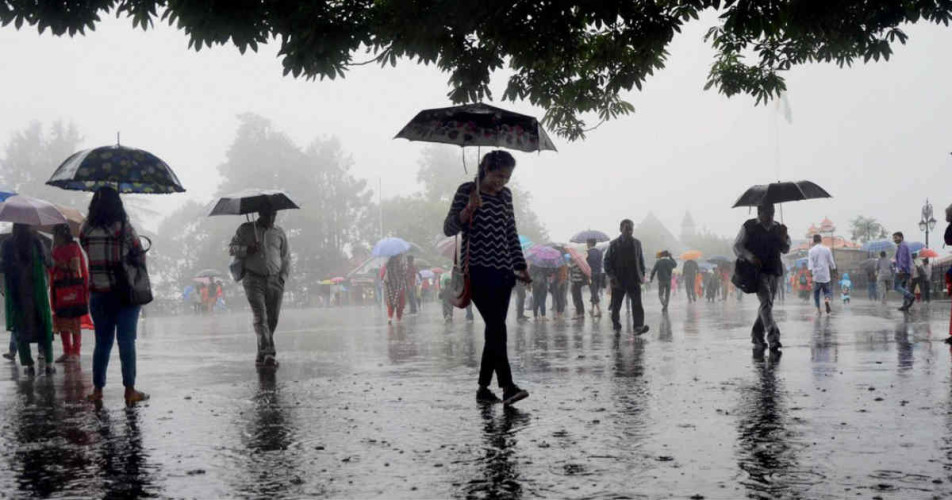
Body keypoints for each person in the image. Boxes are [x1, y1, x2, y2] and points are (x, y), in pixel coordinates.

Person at [444, 150, 531, 406]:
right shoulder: (467, 190)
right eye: (497, 175)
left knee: (495, 330)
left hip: (504, 272)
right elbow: (449, 227)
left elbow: (510, 231)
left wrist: (521, 265)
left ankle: (483, 389)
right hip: (477, 270)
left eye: (506, 177)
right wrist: (468, 208)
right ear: (485, 169)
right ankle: (507, 387)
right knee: (497, 328)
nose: (500, 182)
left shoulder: (506, 196)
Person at [80, 186, 148, 403]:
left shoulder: (86, 229)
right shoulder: (124, 229)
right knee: (126, 341)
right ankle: (130, 391)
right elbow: (139, 255)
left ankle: (97, 391)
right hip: (124, 294)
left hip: (98, 295)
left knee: (102, 343)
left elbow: (87, 250)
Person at [229, 205, 291, 368]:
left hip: (275, 280)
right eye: (268, 214)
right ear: (260, 213)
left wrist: (282, 277)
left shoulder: (279, 232)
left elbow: (285, 257)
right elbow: (231, 249)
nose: (272, 218)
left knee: (272, 319)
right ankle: (269, 353)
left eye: (274, 214)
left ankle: (261, 353)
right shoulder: (246, 229)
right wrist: (246, 249)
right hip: (253, 279)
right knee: (261, 317)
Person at [733, 203, 790, 353]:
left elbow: (785, 249)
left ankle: (757, 335)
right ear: (759, 212)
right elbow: (738, 246)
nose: (770, 216)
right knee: (766, 302)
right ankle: (774, 338)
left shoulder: (779, 228)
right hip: (757, 272)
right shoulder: (749, 226)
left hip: (774, 270)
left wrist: (783, 236)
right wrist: (750, 257)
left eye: (772, 213)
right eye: (767, 213)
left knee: (767, 305)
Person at [2, 224, 54, 375]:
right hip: (37, 293)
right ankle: (49, 364)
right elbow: (49, 263)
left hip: (17, 293)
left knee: (20, 327)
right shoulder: (37, 242)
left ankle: (28, 365)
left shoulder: (7, 244)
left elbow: (3, 266)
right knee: (43, 325)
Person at [51, 224, 89, 363]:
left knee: (73, 321)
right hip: (63, 289)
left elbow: (77, 266)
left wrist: (60, 265)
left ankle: (74, 352)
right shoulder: (56, 249)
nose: (55, 238)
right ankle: (68, 351)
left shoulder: (72, 248)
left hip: (70, 288)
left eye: (56, 235)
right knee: (64, 322)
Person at [603, 219, 649, 335]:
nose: (629, 231)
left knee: (637, 303)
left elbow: (640, 260)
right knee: (616, 305)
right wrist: (612, 276)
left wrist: (642, 274)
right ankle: (616, 324)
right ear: (621, 229)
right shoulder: (613, 244)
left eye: (631, 229)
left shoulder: (637, 243)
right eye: (626, 229)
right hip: (618, 279)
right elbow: (607, 262)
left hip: (633, 278)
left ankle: (638, 326)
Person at [808, 233, 836, 314]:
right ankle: (826, 300)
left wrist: (811, 274)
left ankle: (818, 309)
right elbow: (831, 262)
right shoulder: (827, 249)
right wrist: (834, 272)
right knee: (827, 291)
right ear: (821, 240)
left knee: (816, 293)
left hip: (816, 276)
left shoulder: (811, 251)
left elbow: (810, 264)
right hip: (825, 275)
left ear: (813, 241)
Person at [892, 232, 916, 311]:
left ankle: (910, 296)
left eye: (896, 237)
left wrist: (901, 269)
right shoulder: (904, 245)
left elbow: (902, 259)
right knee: (903, 287)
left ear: (901, 237)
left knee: (896, 286)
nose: (894, 239)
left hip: (902, 270)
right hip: (907, 270)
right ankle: (905, 305)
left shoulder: (902, 246)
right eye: (894, 238)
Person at [382, 255, 407, 324]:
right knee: (400, 303)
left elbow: (384, 274)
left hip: (390, 285)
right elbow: (404, 274)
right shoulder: (400, 264)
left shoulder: (388, 264)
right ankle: (398, 318)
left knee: (391, 301)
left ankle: (390, 318)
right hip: (398, 285)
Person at [586, 239, 604, 317]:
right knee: (595, 291)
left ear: (590, 243)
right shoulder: (600, 252)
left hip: (591, 275)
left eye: (587, 243)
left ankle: (599, 310)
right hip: (599, 274)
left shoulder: (588, 253)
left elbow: (586, 264)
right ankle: (592, 309)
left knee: (593, 291)